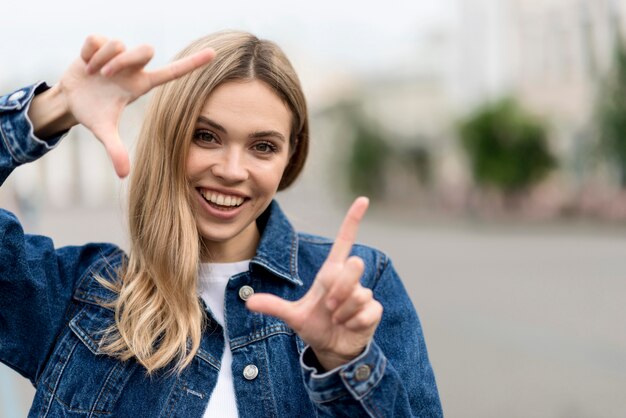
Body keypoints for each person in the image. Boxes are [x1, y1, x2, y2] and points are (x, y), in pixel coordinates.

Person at [0, 32, 443, 417]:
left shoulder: (360, 286)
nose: (232, 170)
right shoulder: (78, 297)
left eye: (263, 146)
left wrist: (346, 365)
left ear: (290, 157)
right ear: (169, 137)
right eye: (206, 136)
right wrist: (51, 109)